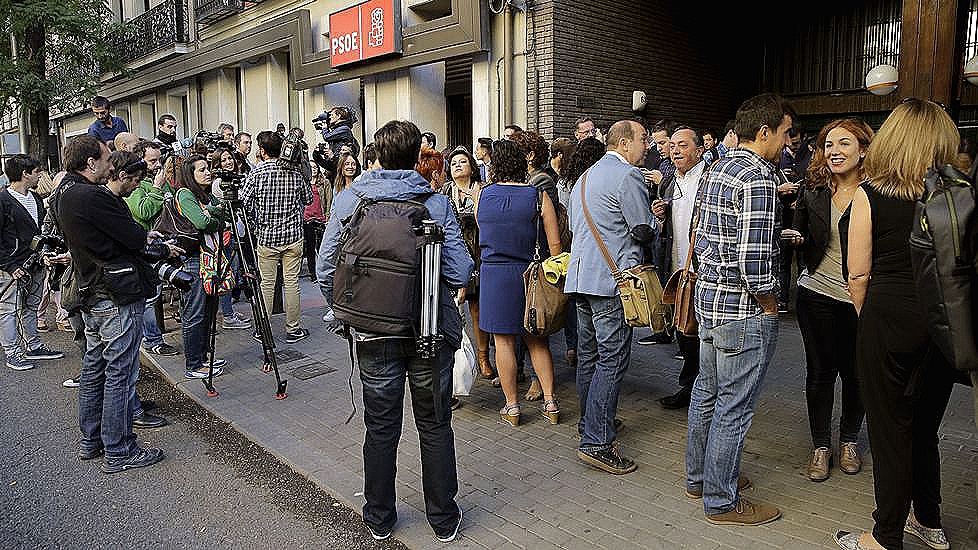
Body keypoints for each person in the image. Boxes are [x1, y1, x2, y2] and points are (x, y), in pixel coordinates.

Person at [317, 120, 470, 542]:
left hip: (372, 335)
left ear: (377, 157)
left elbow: (324, 268)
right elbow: (460, 269)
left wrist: (350, 311)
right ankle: (443, 517)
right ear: (416, 156)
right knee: (435, 425)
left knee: (381, 427)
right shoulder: (434, 203)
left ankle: (380, 516)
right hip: (429, 333)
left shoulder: (351, 199)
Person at [834, 99, 960, 550]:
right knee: (925, 428)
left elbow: (858, 276)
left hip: (887, 320)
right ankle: (929, 520)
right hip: (944, 328)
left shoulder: (870, 194)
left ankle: (885, 536)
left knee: (890, 432)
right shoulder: (956, 196)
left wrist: (872, 321)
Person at [687, 93, 794, 526]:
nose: (789, 142)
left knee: (707, 394)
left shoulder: (720, 165)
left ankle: (702, 477)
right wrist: (771, 305)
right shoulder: (759, 179)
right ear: (764, 132)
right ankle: (721, 500)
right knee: (734, 405)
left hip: (711, 304)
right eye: (786, 133)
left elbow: (711, 234)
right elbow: (752, 260)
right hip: (741, 310)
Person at [59, 138, 178, 473]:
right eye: (106, 158)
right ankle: (120, 449)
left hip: (95, 294)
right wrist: (156, 246)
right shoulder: (91, 196)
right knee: (119, 373)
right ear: (90, 161)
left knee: (95, 369)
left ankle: (92, 440)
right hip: (114, 295)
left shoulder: (67, 194)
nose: (111, 165)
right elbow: (134, 238)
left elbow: (117, 236)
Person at [782, 118, 872, 483]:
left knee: (857, 374)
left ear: (863, 150)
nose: (834, 151)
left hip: (861, 299)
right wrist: (798, 238)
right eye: (829, 144)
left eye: (844, 144)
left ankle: (849, 440)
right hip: (817, 293)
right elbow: (801, 227)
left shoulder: (879, 193)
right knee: (820, 372)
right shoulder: (813, 189)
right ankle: (821, 445)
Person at [565, 120, 656, 475]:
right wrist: (657, 221)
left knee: (589, 357)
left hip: (582, 277)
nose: (645, 146)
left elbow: (577, 227)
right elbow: (641, 228)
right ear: (624, 143)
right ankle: (597, 441)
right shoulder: (628, 175)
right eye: (643, 139)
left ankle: (589, 424)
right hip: (612, 281)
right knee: (612, 358)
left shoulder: (584, 178)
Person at [475, 139, 561, 426]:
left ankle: (512, 407)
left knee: (503, 343)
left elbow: (481, 230)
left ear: (495, 166)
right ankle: (550, 403)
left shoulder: (482, 196)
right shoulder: (538, 197)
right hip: (531, 275)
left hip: (494, 275)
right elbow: (555, 245)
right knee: (537, 340)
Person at [649, 126, 707, 410]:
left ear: (699, 149)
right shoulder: (669, 182)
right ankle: (691, 386)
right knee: (683, 328)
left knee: (700, 330)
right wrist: (662, 213)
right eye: (672, 146)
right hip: (676, 267)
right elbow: (668, 226)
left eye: (683, 146)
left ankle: (701, 387)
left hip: (704, 269)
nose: (675, 151)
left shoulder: (708, 180)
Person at [241, 130, 313, 342]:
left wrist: (255, 225)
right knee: (292, 284)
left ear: (262, 151)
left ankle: (263, 330)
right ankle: (293, 329)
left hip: (267, 237)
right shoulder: (294, 172)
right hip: (293, 236)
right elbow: (308, 198)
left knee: (267, 285)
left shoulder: (257, 173)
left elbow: (243, 202)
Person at [0, 154, 65, 371]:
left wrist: (45, 253)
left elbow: (39, 233)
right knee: (9, 310)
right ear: (25, 174)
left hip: (35, 264)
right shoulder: (3, 201)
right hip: (12, 268)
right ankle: (13, 353)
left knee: (30, 306)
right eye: (37, 172)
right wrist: (9, 265)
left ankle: (33, 346)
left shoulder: (35, 198)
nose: (40, 175)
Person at [123, 141, 183, 357]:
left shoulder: (159, 180)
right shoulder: (136, 186)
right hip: (145, 247)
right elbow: (143, 211)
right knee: (149, 297)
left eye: (159, 159)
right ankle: (153, 340)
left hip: (163, 241)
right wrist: (157, 188)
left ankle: (153, 337)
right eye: (152, 161)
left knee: (160, 289)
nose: (158, 165)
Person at [173, 155, 229, 379]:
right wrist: (215, 218)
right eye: (202, 170)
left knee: (208, 312)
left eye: (208, 169)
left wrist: (212, 213)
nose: (208, 173)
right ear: (190, 174)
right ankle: (194, 364)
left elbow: (223, 212)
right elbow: (202, 222)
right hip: (193, 259)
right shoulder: (185, 194)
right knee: (194, 313)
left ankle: (205, 355)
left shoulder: (205, 195)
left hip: (211, 258)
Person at [442, 147, 490, 380]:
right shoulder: (444, 193)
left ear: (472, 166)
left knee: (478, 309)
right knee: (453, 308)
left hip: (479, 254)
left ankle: (483, 357)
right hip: (453, 255)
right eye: (453, 163)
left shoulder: (482, 190)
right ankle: (456, 361)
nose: (458, 166)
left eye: (462, 161)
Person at [208, 149, 252, 331]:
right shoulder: (219, 183)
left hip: (236, 231)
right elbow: (237, 203)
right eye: (223, 159)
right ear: (217, 164)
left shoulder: (234, 179)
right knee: (227, 273)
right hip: (227, 232)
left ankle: (229, 311)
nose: (228, 162)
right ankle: (227, 315)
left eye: (230, 158)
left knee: (233, 272)